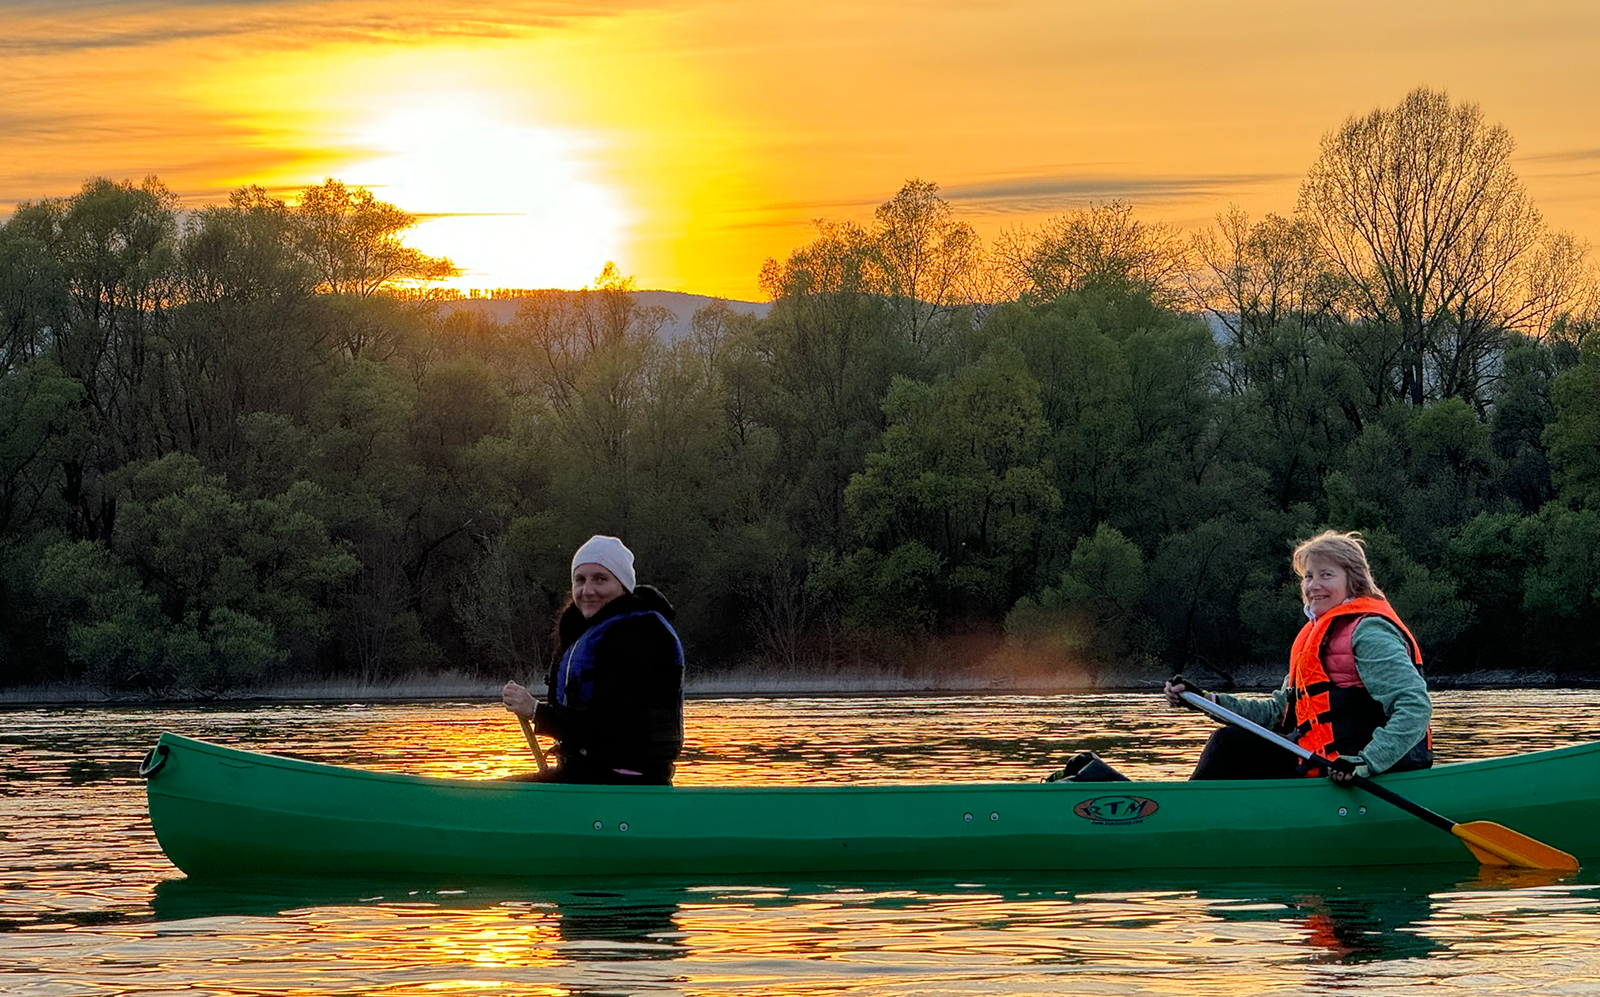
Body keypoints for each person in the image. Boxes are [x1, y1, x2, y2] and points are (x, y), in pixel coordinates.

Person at [1164, 530, 1432, 782]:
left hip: (1363, 772)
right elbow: (1277, 714)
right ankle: (1189, 813)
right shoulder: (1315, 637)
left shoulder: (1369, 632)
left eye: (1326, 575)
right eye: (1308, 576)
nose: (1314, 585)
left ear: (1354, 581)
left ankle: (1171, 817)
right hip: (1319, 765)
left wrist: (1366, 762)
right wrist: (1205, 701)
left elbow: (1414, 706)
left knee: (1227, 744)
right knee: (1230, 743)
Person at [502, 535, 684, 785]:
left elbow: (607, 727)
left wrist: (536, 711)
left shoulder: (641, 635)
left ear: (622, 585)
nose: (588, 590)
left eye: (600, 579)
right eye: (580, 580)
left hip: (623, 781)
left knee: (492, 798)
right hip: (587, 773)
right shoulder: (592, 630)